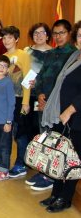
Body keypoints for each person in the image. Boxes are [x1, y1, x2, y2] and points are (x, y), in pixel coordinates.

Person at [28, 19, 77, 191]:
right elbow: (40, 76)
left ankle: (52, 175)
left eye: (62, 33)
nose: (58, 36)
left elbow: (65, 83)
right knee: (44, 137)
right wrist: (40, 94)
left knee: (57, 141)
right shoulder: (51, 53)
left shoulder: (74, 55)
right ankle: (45, 170)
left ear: (69, 33)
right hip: (43, 102)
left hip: (59, 105)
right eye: (55, 33)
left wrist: (49, 99)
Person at [38, 48, 81, 213]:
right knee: (59, 155)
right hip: (61, 114)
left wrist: (70, 110)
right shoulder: (74, 56)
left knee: (74, 159)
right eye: (78, 35)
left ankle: (66, 197)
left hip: (75, 116)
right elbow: (60, 83)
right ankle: (56, 193)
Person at [1, 26, 31, 179]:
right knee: (10, 132)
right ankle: (8, 162)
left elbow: (27, 79)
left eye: (10, 38)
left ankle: (21, 164)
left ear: (16, 39)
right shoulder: (3, 56)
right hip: (7, 101)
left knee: (20, 133)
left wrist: (26, 102)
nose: (6, 40)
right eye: (4, 38)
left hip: (20, 99)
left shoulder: (23, 55)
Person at [24, 23, 52, 140]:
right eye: (36, 33)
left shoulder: (54, 53)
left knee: (42, 128)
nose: (39, 35)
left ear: (47, 36)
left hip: (44, 96)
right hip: (27, 95)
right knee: (26, 129)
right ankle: (28, 155)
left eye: (42, 32)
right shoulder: (26, 51)